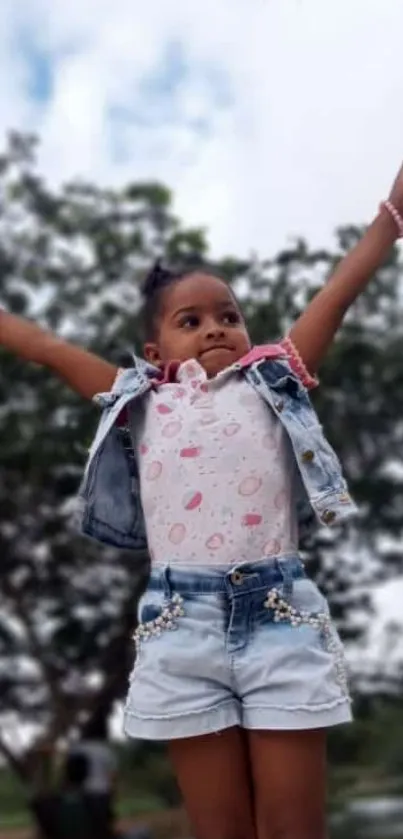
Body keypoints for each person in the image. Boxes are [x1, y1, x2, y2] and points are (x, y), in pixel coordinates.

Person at [1, 169, 403, 839]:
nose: (216, 327)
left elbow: (337, 291)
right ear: (156, 351)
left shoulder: (274, 377)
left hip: (280, 616)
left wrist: (390, 216)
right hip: (180, 626)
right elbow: (44, 348)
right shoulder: (140, 402)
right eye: (192, 320)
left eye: (229, 316)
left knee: (293, 826)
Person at [69, 712, 117, 834]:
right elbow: (112, 774)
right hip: (102, 791)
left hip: (83, 792)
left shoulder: (77, 749)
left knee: (87, 827)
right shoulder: (105, 750)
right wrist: (112, 790)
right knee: (103, 825)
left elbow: (70, 772)